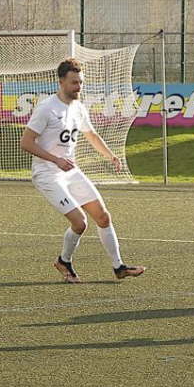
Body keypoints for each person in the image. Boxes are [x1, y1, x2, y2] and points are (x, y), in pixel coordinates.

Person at [20, 58, 145, 283]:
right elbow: (26, 142)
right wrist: (55, 160)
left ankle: (119, 267)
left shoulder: (78, 106)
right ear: (61, 82)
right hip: (47, 174)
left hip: (70, 171)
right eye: (74, 83)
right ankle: (63, 261)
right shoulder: (46, 108)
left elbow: (91, 135)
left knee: (103, 216)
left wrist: (110, 156)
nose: (79, 87)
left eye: (81, 82)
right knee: (80, 222)